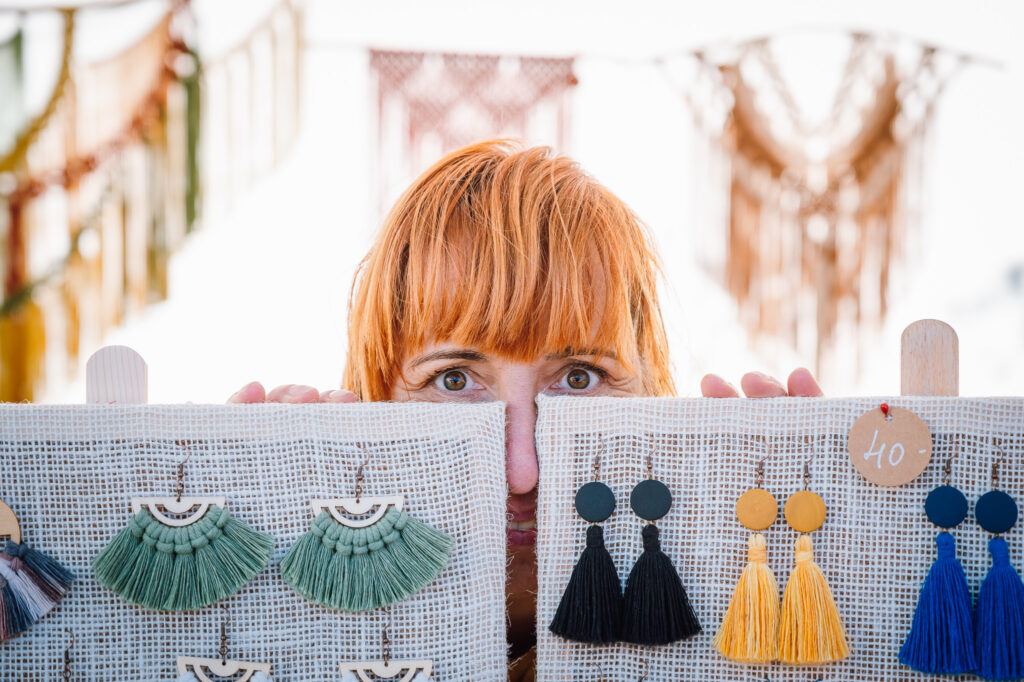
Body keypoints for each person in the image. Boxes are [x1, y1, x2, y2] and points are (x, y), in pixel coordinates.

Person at [229, 140, 822, 679]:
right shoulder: (285, 634)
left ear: (652, 391)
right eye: (453, 380)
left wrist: (827, 571)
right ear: (372, 401)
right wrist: (240, 605)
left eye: (580, 378)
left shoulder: (730, 619)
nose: (523, 473)